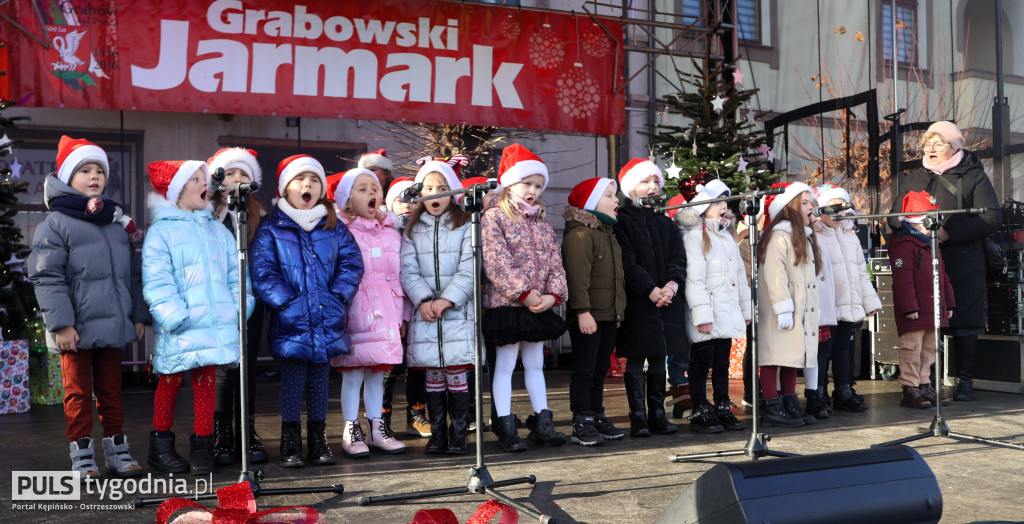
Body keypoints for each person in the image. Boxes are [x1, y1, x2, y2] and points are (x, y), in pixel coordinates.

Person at [28, 136, 148, 479]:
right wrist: (61, 323)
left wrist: (137, 314)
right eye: (85, 169)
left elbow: (132, 273)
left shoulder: (115, 222)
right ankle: (82, 454)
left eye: (99, 170)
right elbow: (47, 276)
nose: (94, 176)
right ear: (68, 176)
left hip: (111, 326)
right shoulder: (55, 223)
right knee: (78, 392)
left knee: (112, 389)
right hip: (75, 329)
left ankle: (117, 449)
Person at [251, 155, 363, 468]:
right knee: (292, 382)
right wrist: (288, 302)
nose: (307, 185)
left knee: (318, 382)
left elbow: (352, 263)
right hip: (292, 320)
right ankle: (290, 440)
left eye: (313, 180)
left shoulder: (333, 226)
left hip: (327, 318)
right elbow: (263, 271)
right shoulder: (272, 228)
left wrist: (337, 296)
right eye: (300, 179)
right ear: (286, 188)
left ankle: (318, 439)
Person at [141, 159, 251, 475]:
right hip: (182, 327)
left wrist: (239, 307)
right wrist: (174, 315)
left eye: (205, 178)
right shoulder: (161, 232)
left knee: (206, 385)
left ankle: (203, 447)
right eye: (196, 179)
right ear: (177, 190)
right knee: (170, 382)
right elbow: (157, 279)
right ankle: (160, 446)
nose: (206, 184)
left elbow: (236, 274)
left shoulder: (219, 231)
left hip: (213, 327)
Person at [888, 121, 1000, 401]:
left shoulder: (973, 175)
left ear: (955, 147)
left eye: (939, 143)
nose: (931, 148)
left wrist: (947, 232)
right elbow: (892, 215)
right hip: (921, 260)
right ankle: (924, 381)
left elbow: (992, 217)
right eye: (928, 143)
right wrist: (904, 226)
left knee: (964, 319)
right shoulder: (914, 178)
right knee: (924, 322)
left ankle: (965, 381)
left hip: (962, 259)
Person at [482, 143, 568, 451]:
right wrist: (524, 292)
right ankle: (505, 425)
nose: (532, 190)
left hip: (538, 305)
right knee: (505, 364)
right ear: (510, 182)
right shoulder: (495, 217)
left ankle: (542, 422)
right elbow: (496, 259)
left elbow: (555, 262)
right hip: (509, 304)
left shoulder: (542, 222)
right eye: (526, 183)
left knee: (535, 363)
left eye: (537, 185)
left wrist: (552, 295)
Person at [330, 168, 410, 458]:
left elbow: (399, 274)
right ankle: (350, 429)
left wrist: (404, 314)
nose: (371, 193)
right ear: (348, 199)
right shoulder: (340, 231)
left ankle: (378, 428)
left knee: (377, 372)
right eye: (362, 189)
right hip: (355, 310)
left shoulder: (391, 232)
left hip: (387, 310)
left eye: (374, 187)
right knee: (353, 373)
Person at [401, 158, 476, 454]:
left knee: (456, 372)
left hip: (455, 313)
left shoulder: (466, 224)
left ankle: (458, 433)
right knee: (433, 374)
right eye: (429, 187)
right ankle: (437, 434)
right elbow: (407, 268)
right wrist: (423, 299)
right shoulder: (412, 228)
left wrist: (448, 299)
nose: (435, 193)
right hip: (426, 314)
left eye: (442, 188)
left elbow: (469, 266)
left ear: (452, 193)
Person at [206, 147, 269, 465]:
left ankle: (247, 431)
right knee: (224, 370)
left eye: (244, 174)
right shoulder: (208, 213)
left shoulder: (260, 216)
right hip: (218, 302)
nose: (237, 179)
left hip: (251, 302)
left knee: (248, 368)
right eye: (230, 173)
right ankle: (221, 434)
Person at [613, 158, 685, 437]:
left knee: (659, 358)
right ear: (632, 187)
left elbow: (678, 258)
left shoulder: (666, 222)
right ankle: (638, 417)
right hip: (639, 301)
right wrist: (649, 289)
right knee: (635, 359)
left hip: (666, 300)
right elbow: (627, 262)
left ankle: (658, 414)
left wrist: (670, 286)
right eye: (645, 181)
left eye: (655, 181)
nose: (652, 187)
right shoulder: (623, 220)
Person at [675, 179, 750, 433]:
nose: (723, 206)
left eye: (725, 202)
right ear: (704, 205)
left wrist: (745, 310)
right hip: (706, 314)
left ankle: (720, 405)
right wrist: (702, 315)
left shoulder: (727, 236)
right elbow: (694, 280)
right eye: (717, 201)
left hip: (726, 313)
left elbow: (739, 278)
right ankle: (700, 407)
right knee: (701, 361)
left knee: (721, 363)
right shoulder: (695, 235)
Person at [561, 177, 628, 446]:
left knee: (600, 369)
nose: (617, 201)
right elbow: (577, 277)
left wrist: (617, 313)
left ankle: (596, 414)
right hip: (589, 315)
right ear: (592, 203)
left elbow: (614, 280)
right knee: (585, 369)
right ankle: (582, 420)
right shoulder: (580, 234)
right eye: (610, 196)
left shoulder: (606, 234)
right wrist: (582, 310)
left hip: (607, 315)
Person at [756, 182, 820, 427]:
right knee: (774, 356)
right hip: (781, 308)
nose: (810, 207)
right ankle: (772, 404)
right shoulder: (779, 237)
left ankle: (789, 401)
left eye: (810, 203)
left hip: (798, 305)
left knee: (793, 355)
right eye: (804, 203)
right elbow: (775, 274)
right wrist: (783, 307)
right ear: (790, 207)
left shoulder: (803, 237)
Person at [814, 184, 880, 412]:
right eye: (833, 209)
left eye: (843, 210)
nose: (839, 215)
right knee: (823, 351)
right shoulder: (816, 235)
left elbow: (861, 272)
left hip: (848, 304)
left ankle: (843, 391)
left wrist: (869, 302)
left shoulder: (851, 237)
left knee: (843, 350)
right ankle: (818, 393)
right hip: (827, 306)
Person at [889, 191, 956, 408]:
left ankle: (925, 383)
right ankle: (910, 386)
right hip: (916, 310)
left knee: (929, 349)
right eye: (931, 221)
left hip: (933, 308)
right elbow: (902, 280)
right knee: (912, 348)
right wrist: (909, 307)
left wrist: (950, 303)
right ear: (917, 222)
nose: (935, 226)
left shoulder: (931, 245)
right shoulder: (905, 245)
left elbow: (943, 276)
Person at [381, 175, 432, 439]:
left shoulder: (423, 231)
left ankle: (416, 414)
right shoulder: (385, 233)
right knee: (389, 368)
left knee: (417, 366)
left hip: (418, 307)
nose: (407, 204)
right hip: (390, 310)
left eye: (413, 199)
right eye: (401, 199)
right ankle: (381, 417)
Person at [807, 191, 838, 420]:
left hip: (822, 304)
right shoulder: (799, 235)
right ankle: (810, 394)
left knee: (822, 353)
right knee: (808, 353)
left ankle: (818, 392)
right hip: (806, 304)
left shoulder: (820, 236)